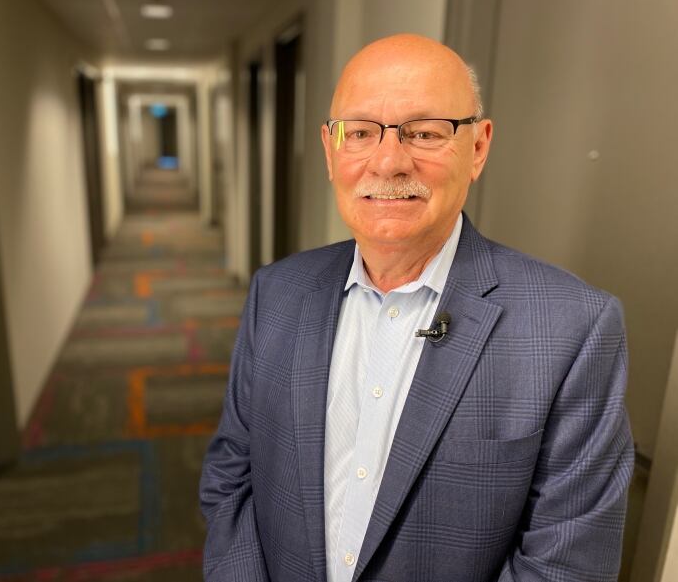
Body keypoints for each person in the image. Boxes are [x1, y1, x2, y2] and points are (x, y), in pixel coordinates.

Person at [199, 33, 633, 582]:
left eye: (425, 132)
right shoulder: (277, 293)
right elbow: (231, 474)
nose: (388, 161)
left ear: (478, 147)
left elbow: (568, 564)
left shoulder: (573, 329)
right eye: (360, 133)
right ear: (331, 151)